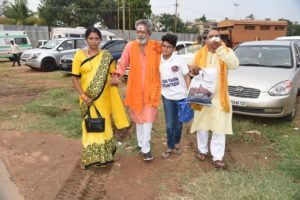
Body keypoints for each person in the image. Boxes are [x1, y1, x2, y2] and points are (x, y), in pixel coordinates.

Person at [71, 27, 130, 169]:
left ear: (100, 40)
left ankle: (105, 156)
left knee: (104, 125)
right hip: (87, 99)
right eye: (91, 38)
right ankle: (91, 158)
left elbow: (113, 75)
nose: (93, 41)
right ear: (86, 39)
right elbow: (74, 78)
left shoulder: (106, 56)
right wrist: (83, 96)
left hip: (103, 98)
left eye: (96, 38)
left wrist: (115, 80)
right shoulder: (79, 55)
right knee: (90, 127)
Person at [111, 19, 161, 161]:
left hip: (152, 89)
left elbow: (165, 59)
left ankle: (146, 149)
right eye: (137, 31)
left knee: (148, 119)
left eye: (142, 31)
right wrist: (116, 75)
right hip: (135, 88)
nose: (139, 34)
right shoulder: (130, 46)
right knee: (139, 118)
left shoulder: (156, 46)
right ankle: (140, 143)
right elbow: (122, 62)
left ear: (149, 33)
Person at [190, 30, 239, 169]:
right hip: (202, 95)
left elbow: (235, 64)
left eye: (216, 36)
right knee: (202, 125)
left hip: (219, 98)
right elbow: (192, 68)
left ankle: (217, 156)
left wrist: (219, 49)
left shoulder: (226, 51)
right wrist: (194, 71)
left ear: (220, 39)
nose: (213, 38)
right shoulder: (200, 53)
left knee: (219, 127)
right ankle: (202, 150)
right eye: (210, 36)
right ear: (206, 40)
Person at [159, 33, 191, 159]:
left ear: (173, 48)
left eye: (169, 47)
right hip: (167, 97)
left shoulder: (179, 60)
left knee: (179, 124)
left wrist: (189, 94)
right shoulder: (158, 60)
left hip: (181, 97)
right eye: (164, 46)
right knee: (169, 124)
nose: (165, 49)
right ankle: (170, 147)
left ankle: (177, 143)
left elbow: (187, 76)